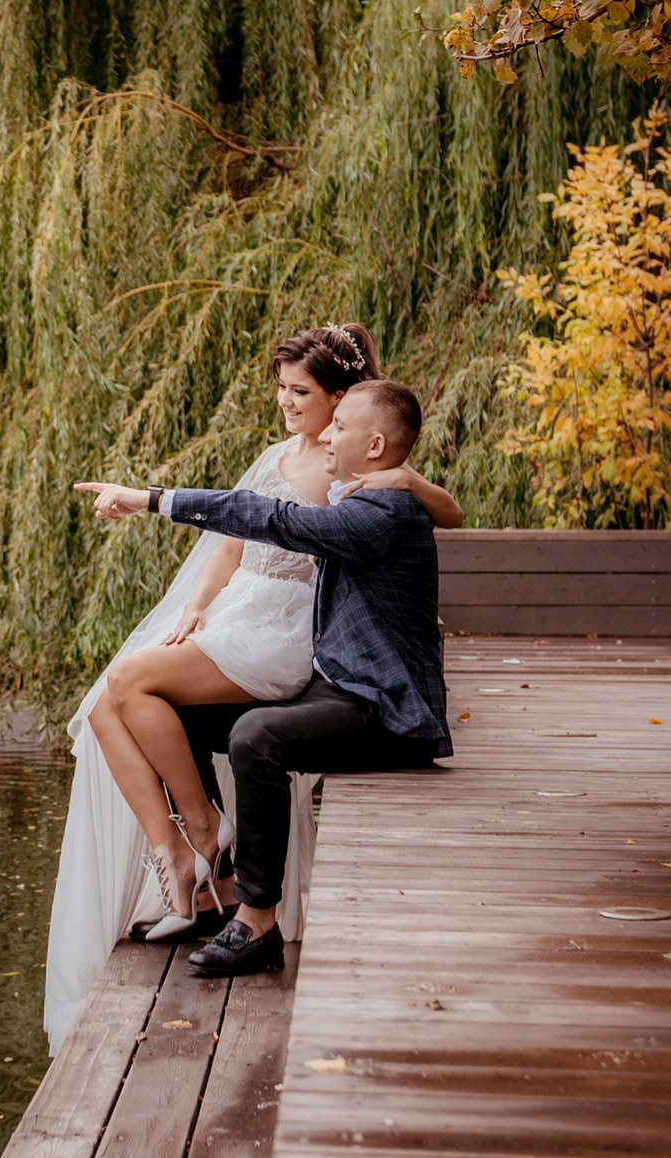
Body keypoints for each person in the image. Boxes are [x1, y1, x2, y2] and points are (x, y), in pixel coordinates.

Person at [40, 327, 460, 1048]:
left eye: (342, 430)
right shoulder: (367, 492)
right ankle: (205, 859)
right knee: (152, 708)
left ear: (376, 446)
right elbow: (256, 523)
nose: (326, 440)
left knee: (254, 734)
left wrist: (151, 498)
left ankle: (255, 916)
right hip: (345, 680)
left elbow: (262, 517)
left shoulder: (374, 512)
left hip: (385, 706)